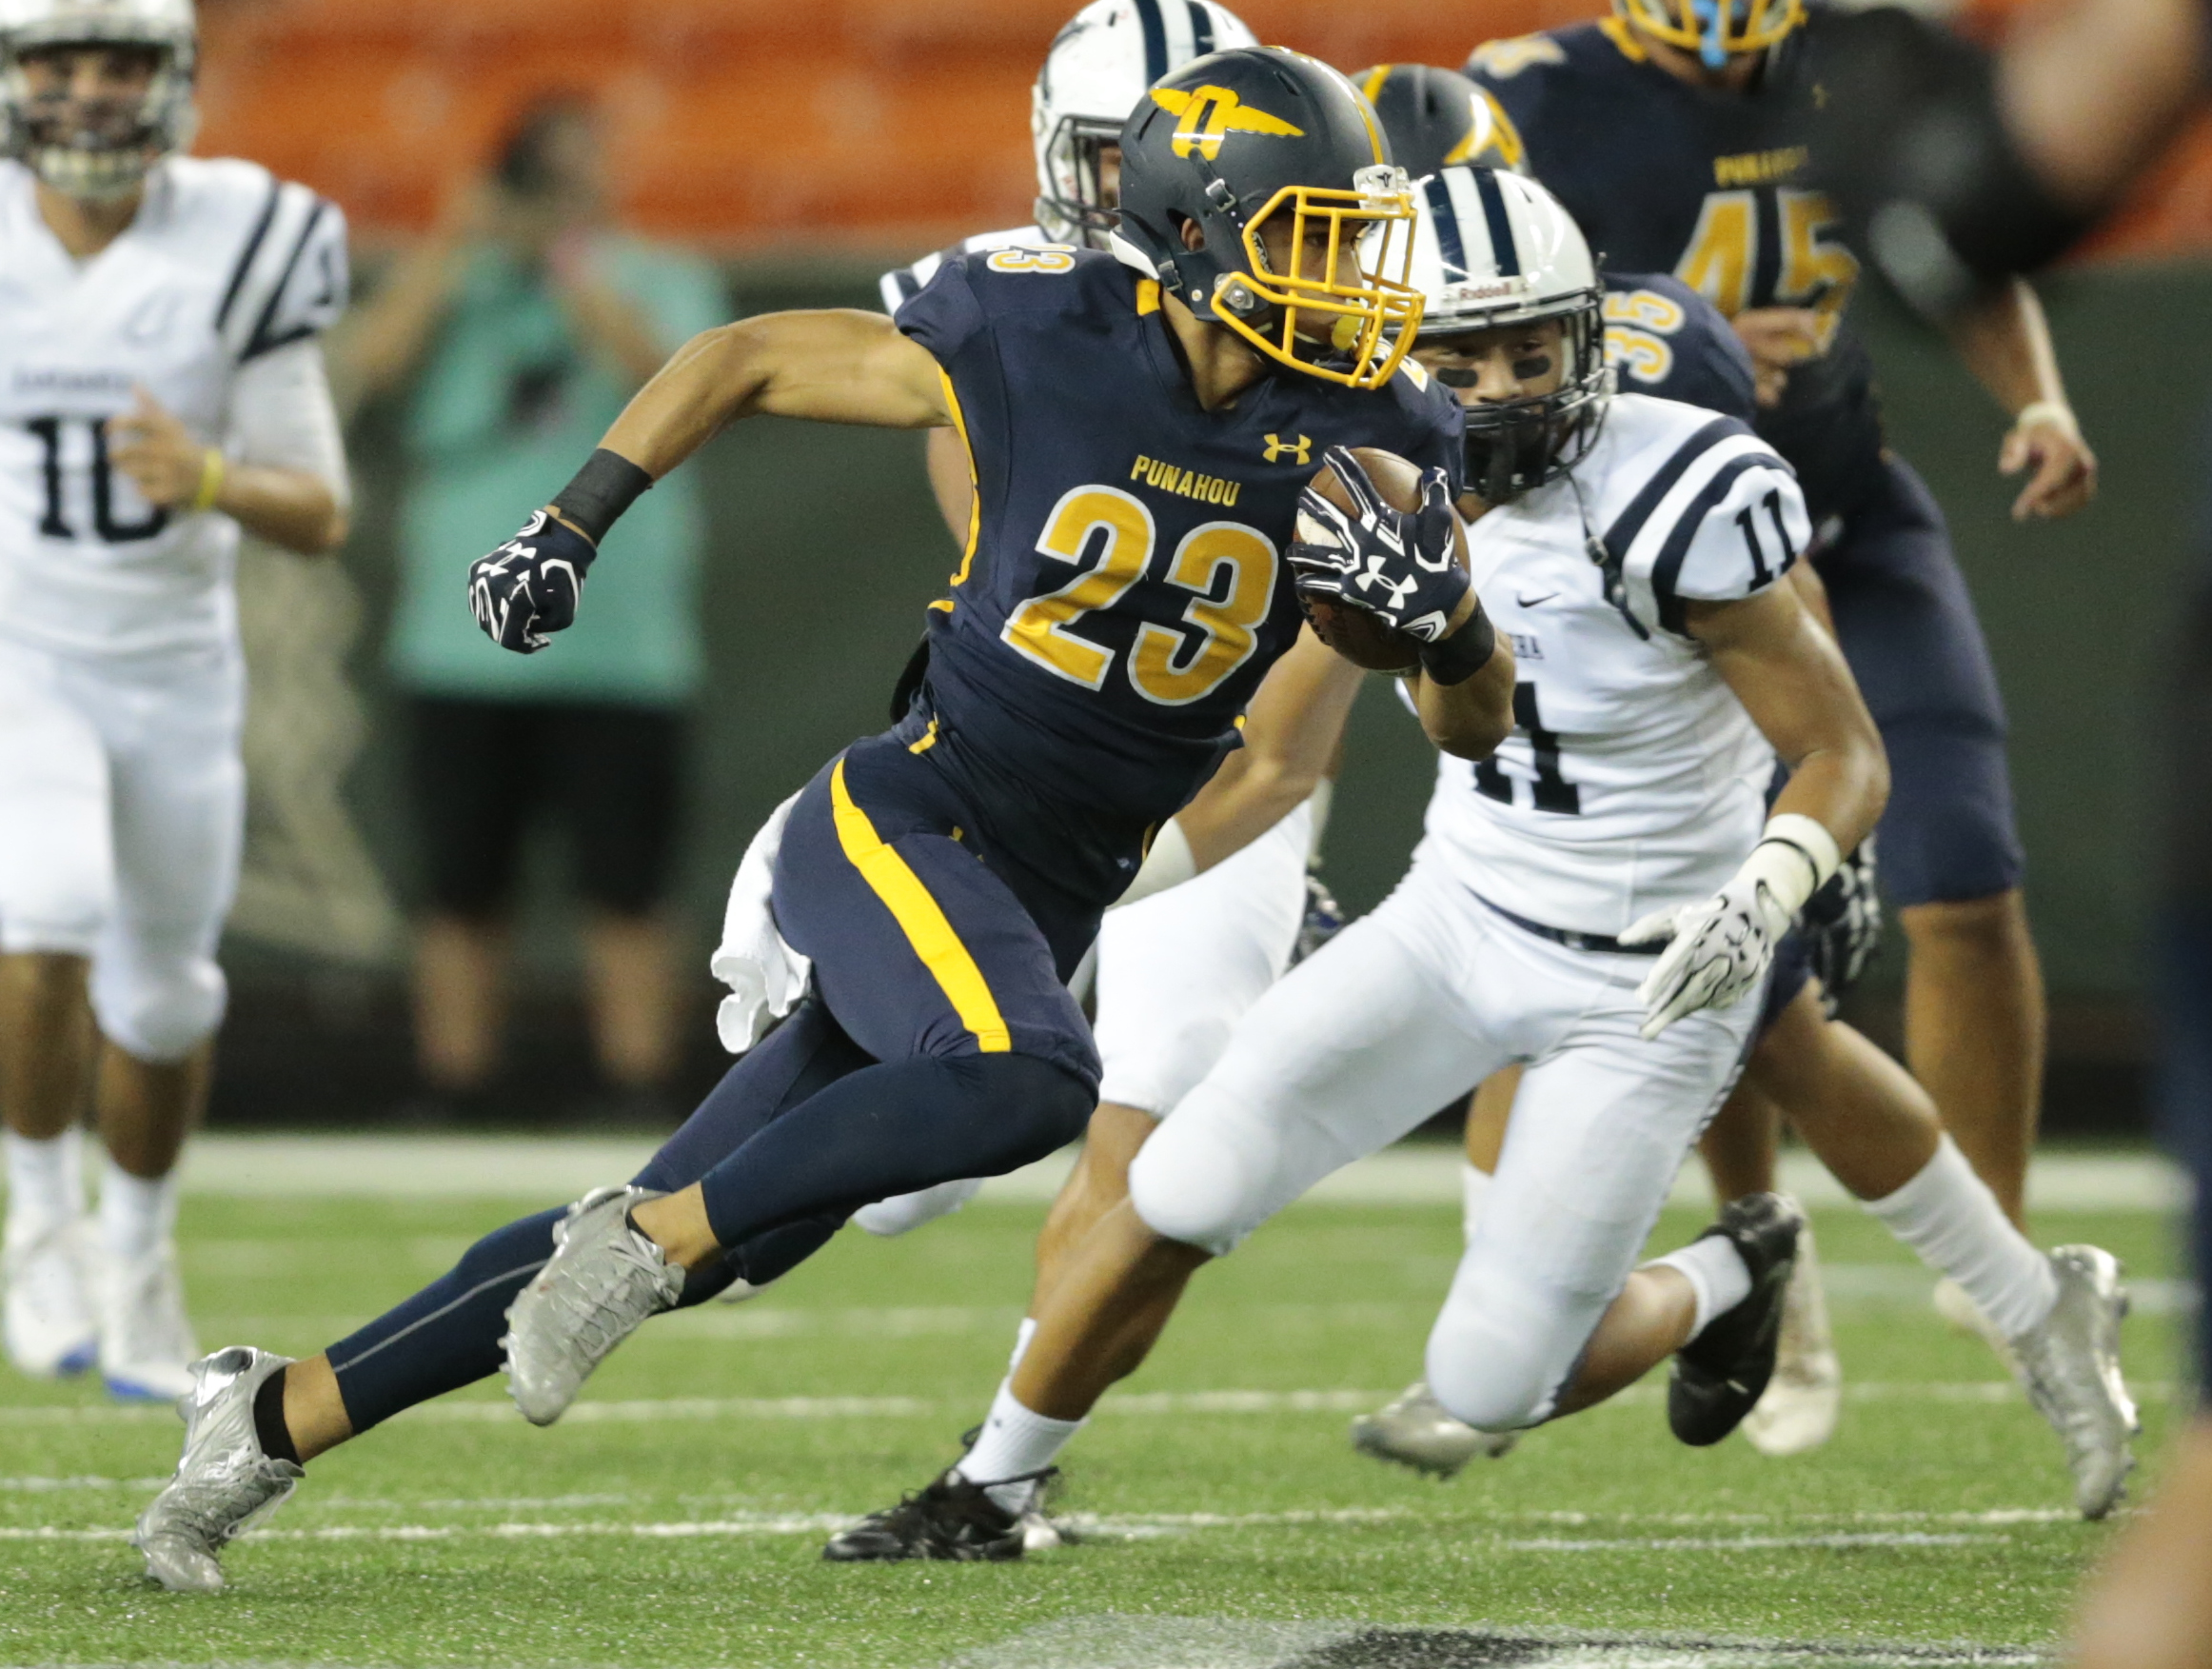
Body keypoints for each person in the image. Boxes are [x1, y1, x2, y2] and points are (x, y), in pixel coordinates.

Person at [128, 47, 1507, 1595]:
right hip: (906, 816)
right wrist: (568, 521)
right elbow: (744, 355)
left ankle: (268, 1411)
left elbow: (1464, 722)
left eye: (1347, 236)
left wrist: (1448, 631)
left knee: (723, 1222)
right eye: (1308, 233)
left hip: (1051, 879)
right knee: (1025, 1075)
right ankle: (640, 1248)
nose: (1348, 277)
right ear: (1191, 226)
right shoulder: (1038, 325)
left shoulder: (1381, 426)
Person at [823, 164, 1892, 1561]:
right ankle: (992, 1488)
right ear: (1396, 358)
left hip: (1647, 983)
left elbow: (1846, 751)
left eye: (1534, 350)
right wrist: (1085, 882)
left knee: (1491, 1381)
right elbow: (1280, 762)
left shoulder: (1684, 487)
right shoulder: (1350, 471)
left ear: (1591, 338)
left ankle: (1734, 1267)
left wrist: (1775, 885)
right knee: (1180, 1186)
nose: (1504, 387)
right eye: (1461, 356)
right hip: (1457, 920)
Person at [1462, 0, 2101, 1267]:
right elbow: (1461, 337)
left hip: (1842, 504)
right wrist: (1671, 347)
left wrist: (2040, 395)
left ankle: (2003, 1258)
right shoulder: (1530, 95)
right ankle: (1753, 1239)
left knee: (1967, 878)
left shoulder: (1860, 60)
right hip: (1652, 560)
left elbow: (1949, 251)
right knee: (1720, 942)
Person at [0, 0, 349, 1402]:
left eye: (119, 63)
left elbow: (319, 507)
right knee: (44, 915)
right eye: (58, 64)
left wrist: (205, 478)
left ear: (173, 83)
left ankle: (136, 1258)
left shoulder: (245, 236)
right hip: (20, 651)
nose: (88, 94)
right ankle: (36, 1217)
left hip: (174, 668)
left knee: (161, 998)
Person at [335, 96, 724, 1118]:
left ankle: (638, 1084)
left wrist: (569, 262)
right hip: (458, 647)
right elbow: (362, 373)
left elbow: (674, 379)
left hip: (620, 646)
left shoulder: (659, 275)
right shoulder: (458, 287)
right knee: (459, 881)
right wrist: (451, 248)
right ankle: (453, 1084)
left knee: (627, 883)